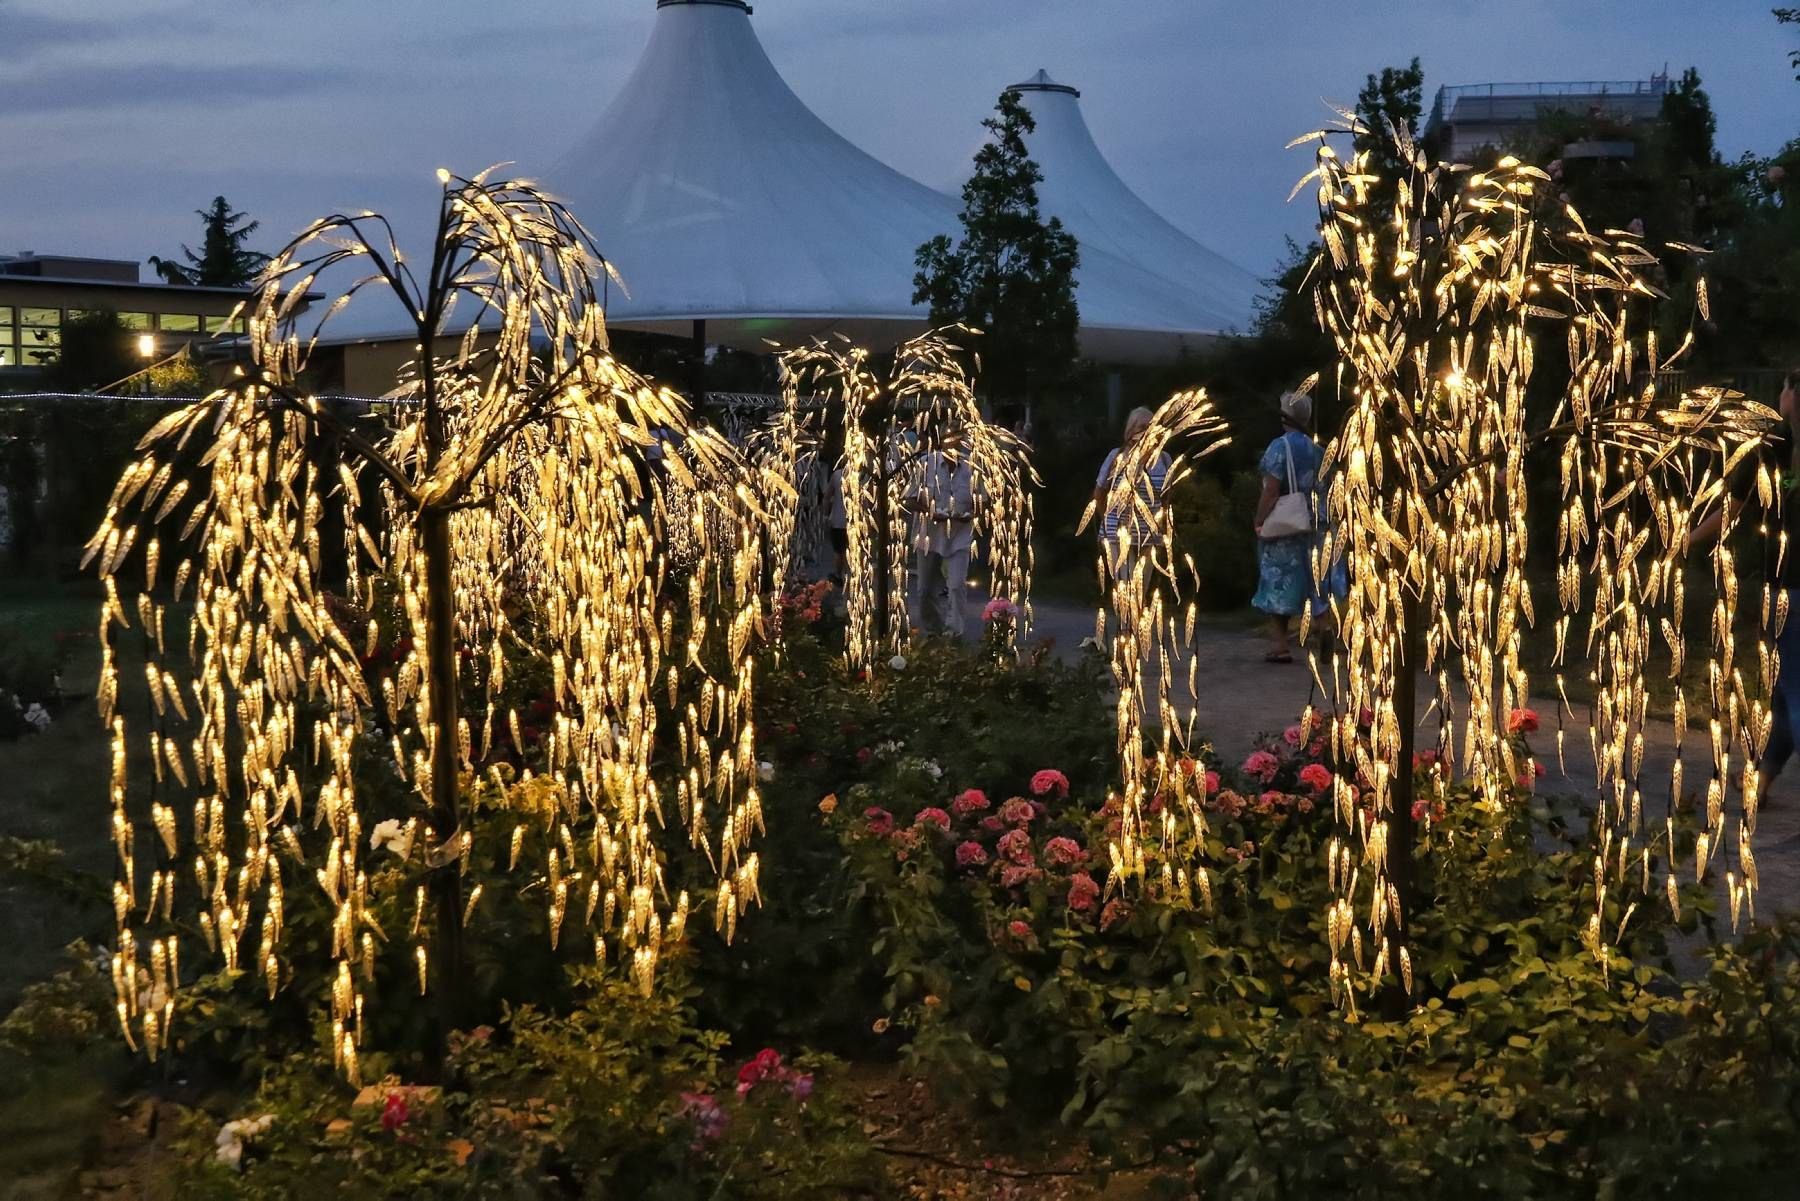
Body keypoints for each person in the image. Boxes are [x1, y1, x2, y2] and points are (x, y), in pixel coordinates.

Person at [1690, 367, 1800, 798]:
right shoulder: (1775, 448)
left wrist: (1688, 540)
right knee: (1786, 687)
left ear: (1792, 395)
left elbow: (1732, 509)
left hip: (1790, 588)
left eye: (1785, 387)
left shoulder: (1769, 446)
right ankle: (1760, 778)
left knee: (1793, 686)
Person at [1251, 390, 1342, 663]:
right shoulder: (1318, 450)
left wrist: (1259, 519)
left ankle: (1279, 645)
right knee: (1315, 580)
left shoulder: (1279, 448)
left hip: (1286, 526)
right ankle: (1322, 626)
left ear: (1285, 417)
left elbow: (1272, 489)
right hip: (1316, 524)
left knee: (1278, 581)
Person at [908, 430, 976, 637]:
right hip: (929, 534)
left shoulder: (972, 471)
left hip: (959, 535)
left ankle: (954, 632)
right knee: (925, 589)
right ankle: (933, 630)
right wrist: (930, 512)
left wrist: (971, 513)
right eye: (952, 443)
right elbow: (910, 499)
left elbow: (984, 501)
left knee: (956, 585)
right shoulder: (925, 465)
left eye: (961, 444)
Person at [1093, 407, 1170, 578]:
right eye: (1141, 427)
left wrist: (1164, 526)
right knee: (1126, 587)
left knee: (1141, 592)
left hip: (1150, 535)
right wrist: (1107, 521)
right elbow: (1099, 493)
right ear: (1130, 430)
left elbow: (1166, 497)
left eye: (1150, 426)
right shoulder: (1116, 457)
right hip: (1117, 534)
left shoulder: (1163, 459)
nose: (1146, 431)